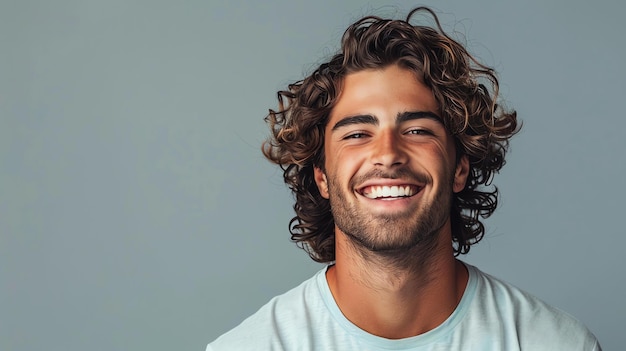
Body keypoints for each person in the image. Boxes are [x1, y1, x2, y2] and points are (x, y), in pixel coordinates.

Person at [208, 6, 601, 350]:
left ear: (459, 167)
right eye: (358, 134)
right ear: (322, 176)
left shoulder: (553, 343)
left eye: (417, 130)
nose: (388, 154)